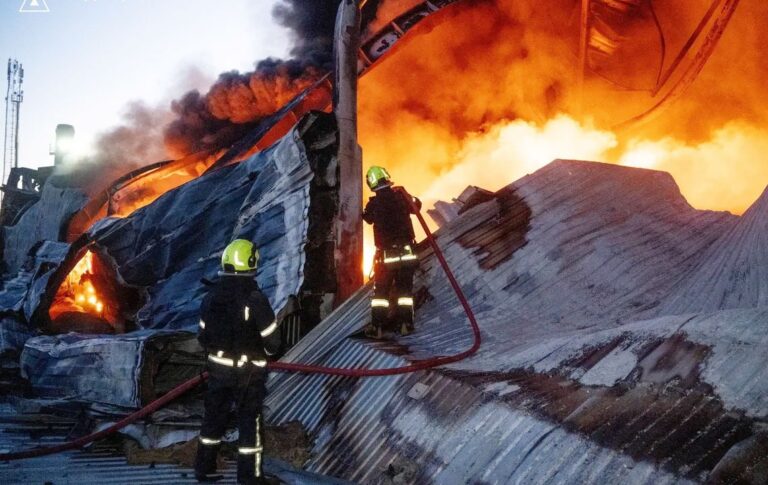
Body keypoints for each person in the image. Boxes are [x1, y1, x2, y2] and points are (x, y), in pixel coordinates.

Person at [194, 239, 280, 485]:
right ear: (251, 262)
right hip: (248, 373)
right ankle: (249, 477)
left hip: (218, 370)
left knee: (213, 418)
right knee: (249, 423)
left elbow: (202, 336)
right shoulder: (255, 298)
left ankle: (204, 469)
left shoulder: (210, 297)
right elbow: (273, 343)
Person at [363, 166, 422, 338]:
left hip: (386, 257)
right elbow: (416, 205)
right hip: (407, 254)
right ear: (387, 178)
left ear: (371, 183)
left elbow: (367, 218)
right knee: (405, 293)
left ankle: (377, 328)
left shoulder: (373, 204)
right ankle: (405, 325)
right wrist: (408, 194)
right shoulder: (401, 197)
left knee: (381, 295)